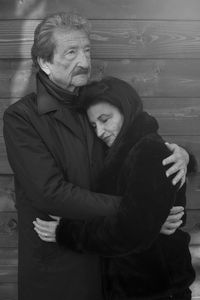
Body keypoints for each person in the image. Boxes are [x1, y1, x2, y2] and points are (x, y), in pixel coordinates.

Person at [3, 12, 189, 300]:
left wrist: (183, 155)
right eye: (72, 52)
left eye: (87, 50)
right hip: (60, 264)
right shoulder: (22, 118)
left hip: (112, 265)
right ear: (45, 62)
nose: (85, 62)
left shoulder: (97, 102)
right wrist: (141, 214)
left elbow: (140, 139)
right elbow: (50, 193)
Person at [34, 77, 196, 300]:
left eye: (105, 119)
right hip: (133, 287)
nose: (100, 131)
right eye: (94, 125)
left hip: (158, 288)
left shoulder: (148, 151)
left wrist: (66, 233)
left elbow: (130, 232)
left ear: (126, 110)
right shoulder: (121, 152)